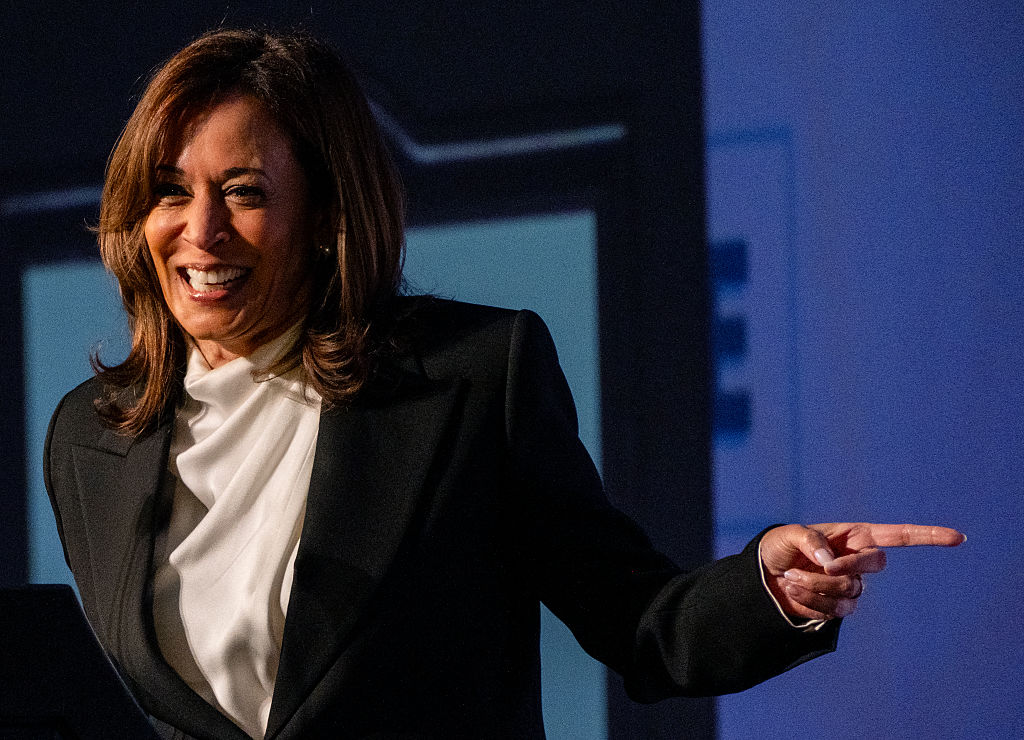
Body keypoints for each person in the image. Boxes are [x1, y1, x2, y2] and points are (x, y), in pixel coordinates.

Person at [43, 28, 964, 740]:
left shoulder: (472, 377)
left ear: (325, 213)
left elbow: (634, 619)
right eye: (169, 190)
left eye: (244, 191)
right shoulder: (91, 436)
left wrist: (770, 590)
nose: (199, 230)